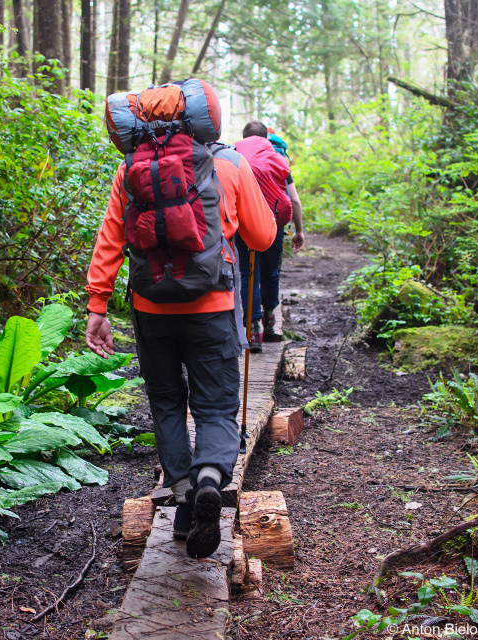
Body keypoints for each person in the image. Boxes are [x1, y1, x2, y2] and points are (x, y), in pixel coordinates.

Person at [84, 114, 276, 560]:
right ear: (202, 122)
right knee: (215, 405)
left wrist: (97, 305)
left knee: (167, 399)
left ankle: (186, 497)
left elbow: (111, 237)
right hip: (212, 305)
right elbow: (264, 237)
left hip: (151, 308)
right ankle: (210, 477)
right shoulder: (226, 164)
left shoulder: (131, 167)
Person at [233, 121, 305, 351]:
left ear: (244, 138)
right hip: (273, 223)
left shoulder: (236, 156)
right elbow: (294, 200)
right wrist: (299, 231)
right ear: (267, 138)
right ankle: (270, 321)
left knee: (248, 274)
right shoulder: (278, 158)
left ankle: (252, 329)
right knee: (270, 272)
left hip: (244, 224)